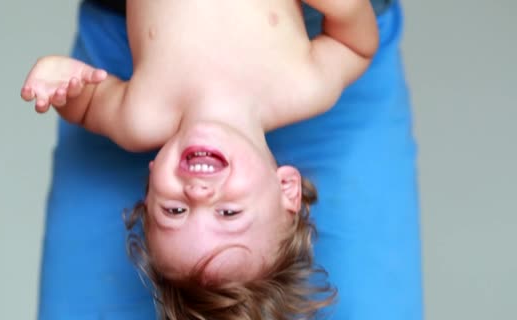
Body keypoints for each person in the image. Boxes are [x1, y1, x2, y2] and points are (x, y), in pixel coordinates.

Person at [36, 0, 423, 319]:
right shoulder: (301, 87)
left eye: (174, 210)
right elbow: (354, 46)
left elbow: (86, 104)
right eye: (228, 214)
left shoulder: (140, 116)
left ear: (151, 180)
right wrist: (346, 8)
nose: (199, 193)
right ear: (286, 188)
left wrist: (61, 82)